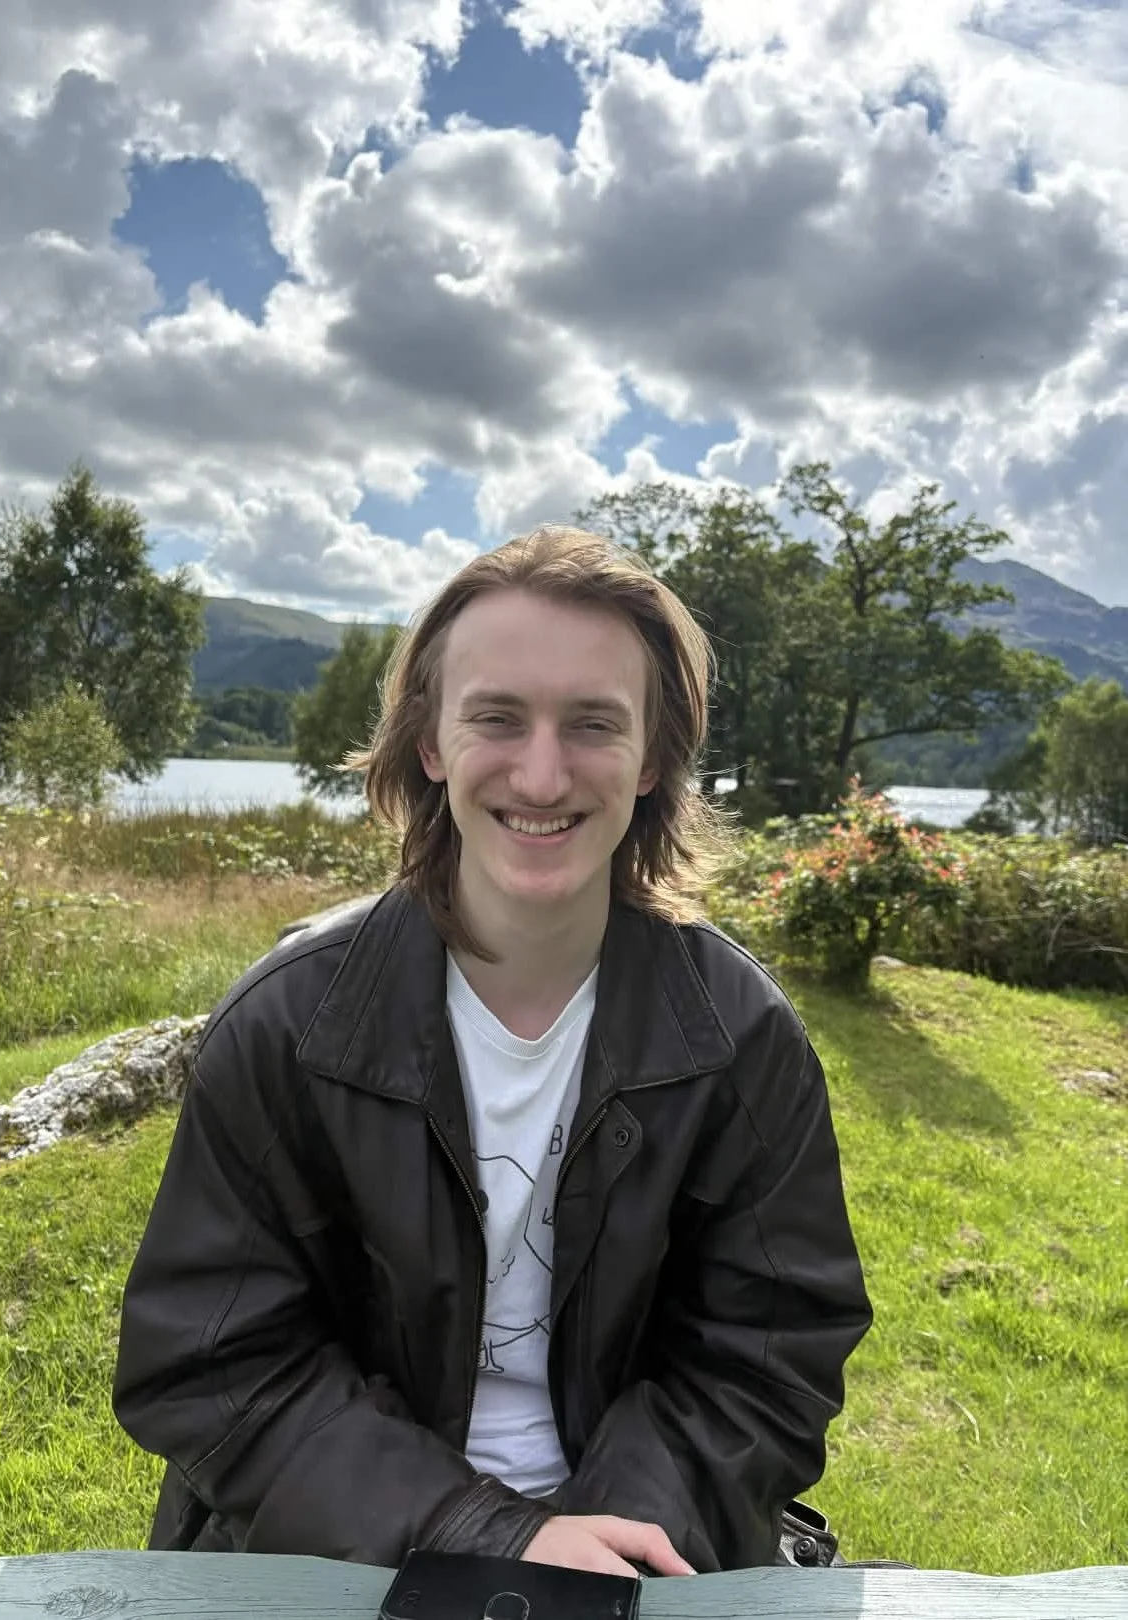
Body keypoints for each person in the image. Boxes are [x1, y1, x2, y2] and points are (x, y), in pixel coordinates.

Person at [112, 525, 872, 1576]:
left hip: (646, 1544)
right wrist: (493, 1536)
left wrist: (605, 1541)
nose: (543, 774)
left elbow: (769, 1357)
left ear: (653, 757)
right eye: (497, 718)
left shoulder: (742, 1041)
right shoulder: (288, 1027)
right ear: (431, 743)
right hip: (339, 1553)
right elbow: (209, 1360)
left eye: (593, 723)